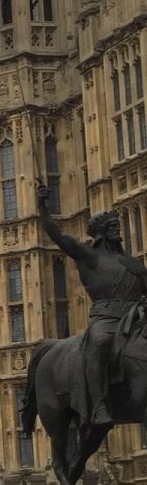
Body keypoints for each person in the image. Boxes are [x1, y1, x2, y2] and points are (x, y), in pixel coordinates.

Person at [37, 182, 147, 431]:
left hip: (136, 318)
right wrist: (43, 209)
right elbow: (59, 237)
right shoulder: (90, 257)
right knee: (97, 342)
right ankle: (98, 406)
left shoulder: (133, 264)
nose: (116, 229)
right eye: (111, 226)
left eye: (116, 226)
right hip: (106, 318)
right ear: (100, 233)